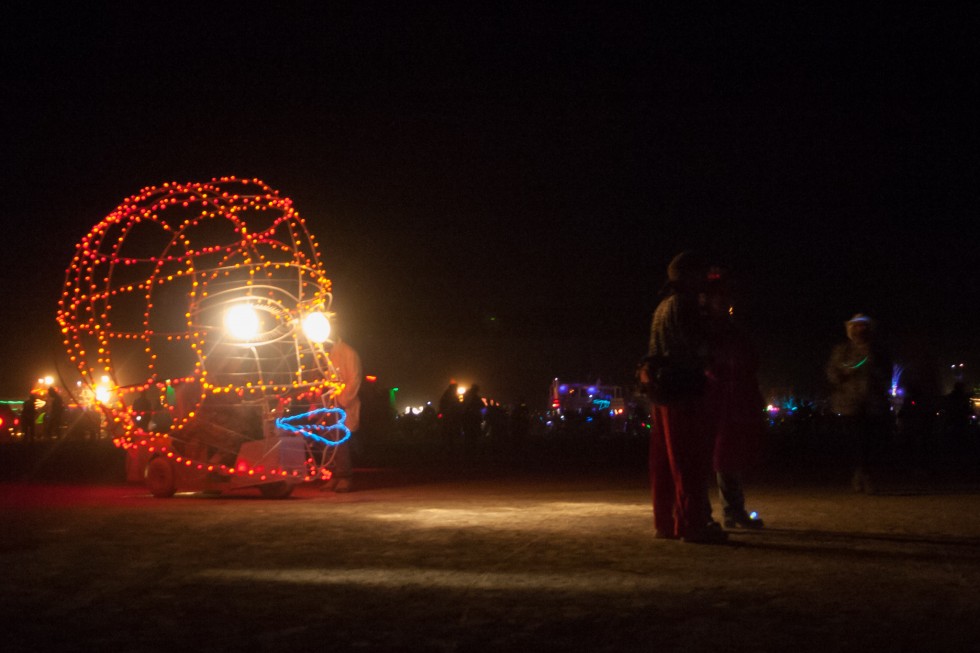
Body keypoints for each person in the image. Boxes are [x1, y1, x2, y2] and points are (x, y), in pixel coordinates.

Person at [641, 250, 725, 543]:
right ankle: (692, 525)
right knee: (688, 460)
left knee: (663, 461)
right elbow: (697, 346)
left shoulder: (662, 305)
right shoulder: (686, 304)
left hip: (662, 389)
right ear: (689, 276)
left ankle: (664, 523)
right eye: (702, 274)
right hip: (684, 389)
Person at [704, 269, 765, 529]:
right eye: (720, 297)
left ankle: (733, 510)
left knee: (728, 456)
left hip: (731, 401)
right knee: (710, 456)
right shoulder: (704, 328)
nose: (725, 302)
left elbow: (749, 360)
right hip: (709, 399)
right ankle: (704, 514)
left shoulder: (732, 330)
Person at [826, 313, 893, 493]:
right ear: (851, 329)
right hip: (850, 404)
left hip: (873, 403)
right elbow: (832, 373)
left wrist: (874, 366)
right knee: (856, 440)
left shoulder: (878, 350)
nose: (860, 329)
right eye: (857, 326)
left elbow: (887, 374)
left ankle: (865, 473)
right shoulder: (842, 350)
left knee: (871, 441)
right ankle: (861, 474)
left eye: (864, 326)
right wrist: (846, 372)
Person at [321, 330, 362, 493]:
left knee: (340, 440)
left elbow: (355, 379)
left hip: (342, 403)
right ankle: (334, 475)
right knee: (329, 441)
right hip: (327, 403)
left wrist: (342, 399)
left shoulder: (348, 352)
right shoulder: (322, 354)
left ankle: (344, 476)